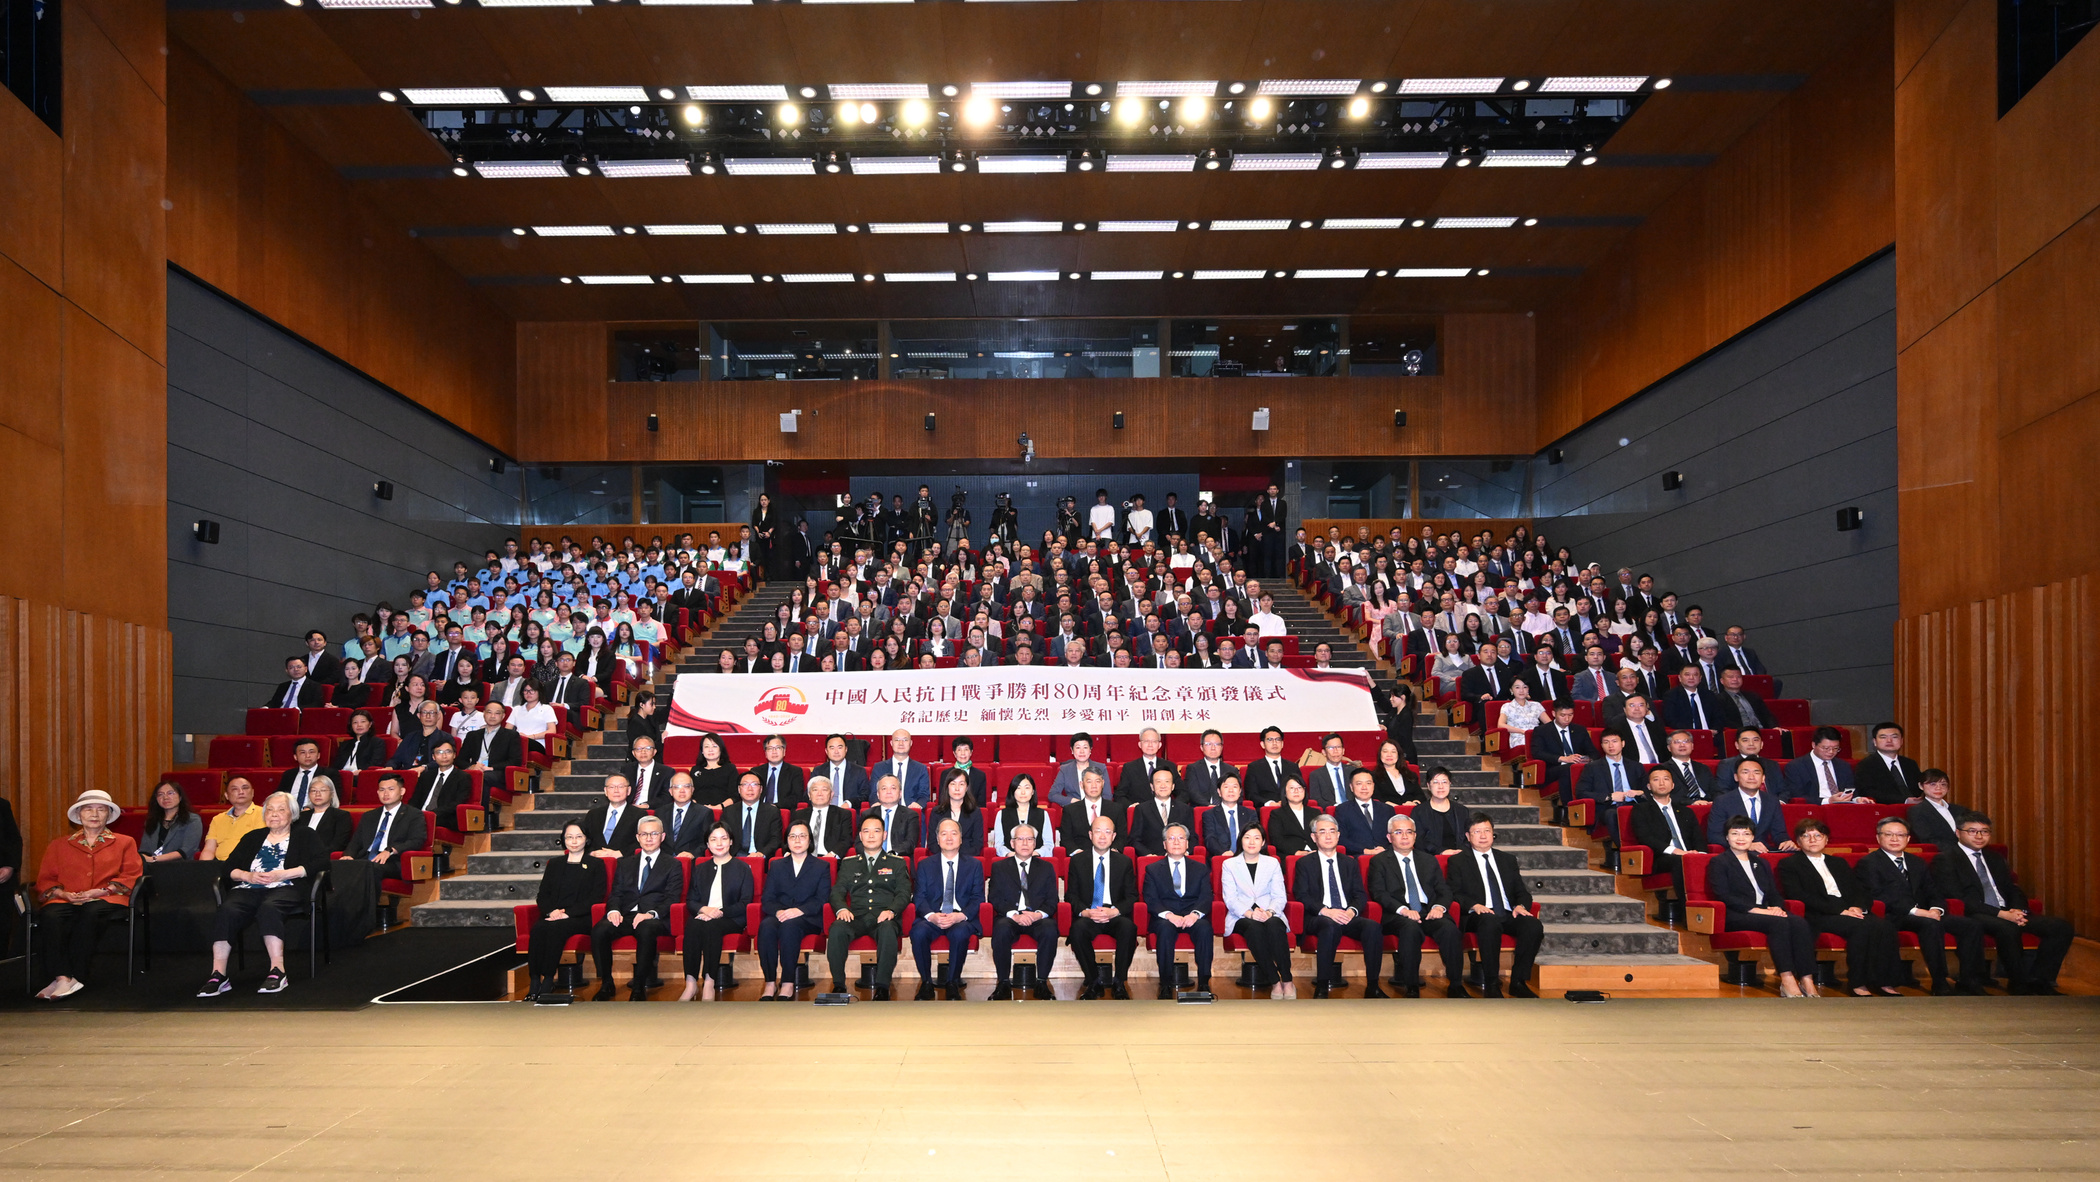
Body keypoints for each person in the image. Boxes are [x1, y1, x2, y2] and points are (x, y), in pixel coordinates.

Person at [195, 792, 329, 998]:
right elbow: (228, 868)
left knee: (269, 907)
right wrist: (247, 876)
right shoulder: (253, 837)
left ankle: (278, 971)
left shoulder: (305, 835)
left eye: (281, 809)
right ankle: (218, 975)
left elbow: (321, 863)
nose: (274, 814)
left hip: (287, 886)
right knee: (227, 910)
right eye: (270, 810)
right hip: (249, 887)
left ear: (292, 814)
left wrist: (284, 873)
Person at [1931, 814, 2074, 994]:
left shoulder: (1994, 858)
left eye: (1985, 831)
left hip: (2008, 911)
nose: (1979, 836)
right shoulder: (1946, 859)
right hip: (1975, 913)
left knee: (2060, 927)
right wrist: (2003, 915)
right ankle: (2018, 983)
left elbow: (2012, 888)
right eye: (1972, 831)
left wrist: (2018, 910)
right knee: (2007, 927)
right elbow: (1958, 898)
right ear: (1958, 833)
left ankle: (2040, 980)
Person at [31, 790, 144, 1000]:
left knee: (91, 911)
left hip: (107, 897)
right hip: (67, 897)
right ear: (79, 815)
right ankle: (61, 977)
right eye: (88, 809)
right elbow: (46, 879)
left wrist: (103, 890)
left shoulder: (125, 842)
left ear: (108, 815)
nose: (94, 814)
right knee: (50, 915)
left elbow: (131, 874)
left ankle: (75, 975)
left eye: (101, 810)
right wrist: (63, 894)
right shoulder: (58, 844)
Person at [1777, 818, 1904, 996]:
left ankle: (1885, 982)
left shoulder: (1838, 863)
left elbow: (1859, 890)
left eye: (1817, 835)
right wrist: (1839, 910)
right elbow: (1798, 895)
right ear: (1798, 841)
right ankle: (1858, 983)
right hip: (1820, 914)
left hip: (1849, 911)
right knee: (1861, 927)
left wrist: (1858, 907)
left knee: (1885, 926)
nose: (1812, 840)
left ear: (1826, 839)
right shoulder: (1790, 864)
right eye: (1806, 836)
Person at [1855, 816, 1971, 996]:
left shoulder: (1917, 862)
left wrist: (1936, 909)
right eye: (1889, 834)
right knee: (1930, 925)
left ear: (1908, 838)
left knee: (1969, 926)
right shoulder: (1869, 863)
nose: (1895, 839)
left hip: (1925, 913)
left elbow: (1933, 891)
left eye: (1900, 835)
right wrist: (1918, 912)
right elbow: (1878, 896)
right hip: (1893, 915)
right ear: (1878, 838)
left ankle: (1970, 980)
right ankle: (1939, 981)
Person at [1705, 816, 1818, 997]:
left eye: (1746, 834)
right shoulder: (1719, 862)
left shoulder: (1761, 861)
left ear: (1753, 837)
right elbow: (1723, 895)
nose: (1740, 838)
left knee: (1799, 923)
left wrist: (1777, 907)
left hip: (1764, 911)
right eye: (1735, 833)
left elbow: (1773, 892)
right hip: (1737, 913)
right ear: (1727, 837)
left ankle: (1807, 979)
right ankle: (1787, 979)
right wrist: (1756, 910)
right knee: (1779, 923)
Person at [1366, 814, 1466, 998]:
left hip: (1428, 911)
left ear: (1415, 835)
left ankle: (1456, 985)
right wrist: (1403, 910)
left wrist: (1439, 907)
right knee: (1410, 928)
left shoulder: (1428, 860)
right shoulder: (1379, 861)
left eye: (1409, 832)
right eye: (1398, 832)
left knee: (1449, 929)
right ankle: (1411, 986)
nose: (1404, 836)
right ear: (1389, 837)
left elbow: (1444, 890)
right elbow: (1379, 893)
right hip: (1397, 914)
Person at [1444, 816, 1544, 997]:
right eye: (1477, 831)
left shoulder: (1507, 860)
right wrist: (1474, 905)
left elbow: (1522, 891)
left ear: (1493, 833)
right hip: (1477, 915)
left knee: (1533, 925)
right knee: (1490, 922)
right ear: (1468, 836)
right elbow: (1454, 892)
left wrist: (1520, 906)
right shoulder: (1458, 861)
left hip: (1507, 913)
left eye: (1487, 831)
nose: (1483, 836)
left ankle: (1518, 982)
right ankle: (1491, 983)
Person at [1292, 814, 1386, 997]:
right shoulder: (1304, 863)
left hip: (1346, 915)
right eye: (1322, 832)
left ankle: (1373, 986)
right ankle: (1322, 987)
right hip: (1319, 917)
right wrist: (1327, 911)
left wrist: (1351, 911)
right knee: (1330, 926)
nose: (1328, 836)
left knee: (1373, 927)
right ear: (1314, 837)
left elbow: (1360, 894)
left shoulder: (1349, 862)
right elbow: (1302, 895)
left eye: (1332, 831)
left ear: (1338, 835)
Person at [590, 815, 678, 1002]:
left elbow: (672, 898)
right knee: (600, 930)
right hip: (627, 915)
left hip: (654, 917)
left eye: (654, 834)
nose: (649, 838)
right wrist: (614, 910)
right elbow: (616, 893)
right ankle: (606, 984)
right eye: (644, 834)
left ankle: (639, 986)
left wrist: (650, 914)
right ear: (637, 837)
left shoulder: (672, 864)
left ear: (662, 837)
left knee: (646, 930)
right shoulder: (625, 863)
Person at [826, 814, 913, 1000]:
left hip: (884, 917)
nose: (871, 835)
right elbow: (837, 892)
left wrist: (891, 910)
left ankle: (882, 987)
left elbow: (904, 893)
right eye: (866, 831)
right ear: (860, 835)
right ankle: (838, 985)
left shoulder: (897, 863)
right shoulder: (849, 864)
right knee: (837, 928)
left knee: (888, 929)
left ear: (884, 835)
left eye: (876, 831)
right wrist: (842, 909)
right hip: (856, 917)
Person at [521, 821, 603, 1001]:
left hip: (581, 916)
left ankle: (548, 980)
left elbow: (596, 898)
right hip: (554, 915)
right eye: (569, 837)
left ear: (586, 839)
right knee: (538, 928)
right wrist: (551, 912)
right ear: (563, 840)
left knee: (556, 928)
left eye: (578, 837)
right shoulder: (555, 864)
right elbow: (543, 895)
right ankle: (534, 980)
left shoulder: (596, 864)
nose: (574, 841)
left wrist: (567, 913)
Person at [908, 818, 984, 1000]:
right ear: (937, 839)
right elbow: (919, 897)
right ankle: (926, 983)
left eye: (954, 833)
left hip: (960, 918)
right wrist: (931, 916)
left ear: (961, 838)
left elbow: (978, 898)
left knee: (960, 933)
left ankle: (952, 983)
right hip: (933, 916)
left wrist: (960, 916)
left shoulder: (974, 865)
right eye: (944, 833)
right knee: (918, 932)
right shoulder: (925, 864)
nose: (949, 838)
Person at [678, 825, 755, 1002]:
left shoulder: (743, 868)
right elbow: (691, 900)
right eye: (713, 839)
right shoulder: (700, 868)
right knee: (692, 924)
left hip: (731, 918)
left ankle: (709, 982)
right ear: (707, 844)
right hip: (703, 915)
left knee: (712, 926)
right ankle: (690, 983)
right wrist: (704, 909)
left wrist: (718, 912)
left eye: (724, 838)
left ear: (731, 841)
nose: (719, 843)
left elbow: (745, 903)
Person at [1220, 823, 1295, 999]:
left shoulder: (1272, 863)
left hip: (1270, 911)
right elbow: (1230, 898)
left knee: (1275, 925)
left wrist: (1269, 912)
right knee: (1254, 928)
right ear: (1241, 841)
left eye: (1256, 838)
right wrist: (1250, 913)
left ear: (1263, 842)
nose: (1251, 842)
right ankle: (1274, 981)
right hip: (1241, 915)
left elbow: (1279, 895)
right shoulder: (1229, 864)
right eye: (1247, 837)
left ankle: (1287, 980)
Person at [986, 825, 1060, 1001]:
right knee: (1001, 929)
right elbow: (994, 897)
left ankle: (1042, 982)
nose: (1025, 843)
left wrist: (1037, 914)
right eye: (1020, 839)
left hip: (1037, 917)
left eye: (1029, 839)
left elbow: (1052, 900)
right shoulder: (999, 867)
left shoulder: (1046, 868)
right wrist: (1015, 915)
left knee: (1050, 929)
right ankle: (1003, 983)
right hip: (1011, 917)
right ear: (1012, 843)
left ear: (1035, 843)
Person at [756, 823, 829, 1000]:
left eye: (802, 836)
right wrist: (779, 911)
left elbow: (822, 899)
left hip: (808, 917)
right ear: (786, 841)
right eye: (792, 836)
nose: (797, 840)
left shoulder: (821, 866)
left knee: (790, 926)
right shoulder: (777, 865)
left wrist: (799, 910)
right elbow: (767, 899)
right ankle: (770, 982)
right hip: (781, 914)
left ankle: (788, 982)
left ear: (810, 840)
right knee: (766, 926)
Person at [1067, 816, 1137, 999]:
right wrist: (1086, 912)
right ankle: (1093, 982)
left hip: (1114, 914)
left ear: (1114, 836)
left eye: (1108, 832)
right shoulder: (1077, 861)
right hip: (1090, 913)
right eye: (1098, 831)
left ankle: (1119, 982)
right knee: (1077, 929)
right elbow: (1071, 895)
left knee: (1128, 927)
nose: (1103, 836)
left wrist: (1114, 911)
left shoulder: (1124, 862)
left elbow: (1131, 896)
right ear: (1090, 835)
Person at [1141, 824, 1212, 999]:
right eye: (1171, 838)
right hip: (1166, 917)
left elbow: (1206, 897)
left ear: (1187, 843)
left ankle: (1204, 982)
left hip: (1192, 915)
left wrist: (1194, 914)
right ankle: (1165, 983)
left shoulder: (1200, 868)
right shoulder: (1153, 869)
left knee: (1205, 929)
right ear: (1164, 844)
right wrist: (1169, 915)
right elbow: (1151, 899)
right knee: (1165, 930)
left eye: (1181, 838)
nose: (1176, 842)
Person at [347, 774, 428, 921]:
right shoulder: (369, 816)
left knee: (371, 868)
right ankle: (342, 914)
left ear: (402, 791)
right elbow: (356, 841)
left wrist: (390, 850)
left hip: (393, 861)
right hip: (366, 859)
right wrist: (348, 855)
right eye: (382, 790)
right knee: (341, 866)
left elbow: (416, 841)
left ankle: (365, 918)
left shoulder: (413, 815)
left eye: (391, 789)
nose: (385, 793)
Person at [1628, 767, 1701, 917]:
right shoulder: (1641, 810)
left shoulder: (1686, 811)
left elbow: (1698, 838)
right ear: (1649, 787)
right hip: (1661, 858)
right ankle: (1688, 914)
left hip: (1689, 855)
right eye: (1656, 779)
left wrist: (1700, 854)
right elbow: (1645, 838)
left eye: (1666, 779)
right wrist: (1677, 852)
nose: (1661, 783)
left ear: (1673, 785)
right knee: (1679, 861)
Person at [1706, 760, 1792, 852]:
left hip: (1764, 851)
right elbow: (1715, 835)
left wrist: (1785, 841)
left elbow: (1779, 832)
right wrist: (1745, 845)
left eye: (1756, 773)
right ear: (1736, 777)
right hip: (1736, 852)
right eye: (1745, 772)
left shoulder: (1772, 801)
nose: (1751, 777)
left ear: (1763, 778)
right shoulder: (1722, 801)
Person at [1126, 766, 1196, 856]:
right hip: (1153, 858)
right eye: (1158, 782)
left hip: (1178, 856)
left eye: (1167, 781)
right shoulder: (1142, 809)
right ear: (1152, 786)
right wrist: (1148, 854)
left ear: (1173, 786)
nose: (1163, 786)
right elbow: (1134, 839)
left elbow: (1192, 837)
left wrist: (1186, 852)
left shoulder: (1185, 809)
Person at [1853, 721, 1923, 805]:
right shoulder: (1866, 765)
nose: (1889, 740)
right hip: (1887, 808)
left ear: (1901, 741)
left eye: (1894, 737)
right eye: (1883, 737)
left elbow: (1920, 788)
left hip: (1917, 807)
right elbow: (1868, 792)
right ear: (1875, 742)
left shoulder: (1910, 764)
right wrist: (1905, 800)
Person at [1780, 728, 1857, 803]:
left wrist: (1856, 799)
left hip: (1842, 806)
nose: (1831, 752)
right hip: (1815, 808)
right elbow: (1796, 795)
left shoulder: (1843, 766)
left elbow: (1851, 790)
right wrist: (1828, 801)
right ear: (1813, 745)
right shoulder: (1796, 766)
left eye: (1836, 748)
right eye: (1826, 748)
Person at [199, 775, 266, 861]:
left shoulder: (264, 814)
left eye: (245, 788)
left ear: (252, 792)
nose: (241, 792)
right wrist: (204, 867)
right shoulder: (218, 819)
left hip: (248, 863)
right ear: (226, 795)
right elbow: (209, 850)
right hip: (220, 864)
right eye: (235, 789)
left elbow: (259, 847)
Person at [1333, 769, 1397, 856]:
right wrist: (1366, 851)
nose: (1364, 787)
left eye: (1368, 783)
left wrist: (1386, 850)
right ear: (1351, 787)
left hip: (1386, 856)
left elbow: (1396, 834)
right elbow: (1341, 838)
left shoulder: (1387, 809)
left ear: (1373, 786)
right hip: (1358, 856)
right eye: (1359, 783)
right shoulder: (1343, 810)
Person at [1904, 769, 1972, 849]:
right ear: (1921, 786)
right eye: (1933, 784)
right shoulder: (1916, 811)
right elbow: (1928, 840)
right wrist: (1959, 850)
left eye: (1943, 784)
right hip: (1942, 853)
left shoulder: (1961, 810)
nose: (1938, 788)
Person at [990, 773, 1054, 857]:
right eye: (1018, 788)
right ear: (1013, 791)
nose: (1023, 792)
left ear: (1032, 791)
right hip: (1010, 860)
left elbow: (1049, 845)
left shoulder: (1043, 814)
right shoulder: (1002, 814)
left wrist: (1036, 853)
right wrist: (1009, 854)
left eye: (1027, 788)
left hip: (1036, 859)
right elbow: (999, 845)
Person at [1410, 769, 1472, 856]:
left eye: (1444, 782)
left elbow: (1469, 837)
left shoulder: (1462, 810)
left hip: (1460, 857)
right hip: (1430, 858)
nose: (1441, 786)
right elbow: (1418, 841)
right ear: (1428, 786)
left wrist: (1459, 852)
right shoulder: (1419, 811)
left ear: (1450, 784)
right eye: (1436, 782)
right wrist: (1441, 851)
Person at [923, 769, 986, 853]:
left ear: (967, 788)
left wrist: (956, 856)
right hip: (942, 858)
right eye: (953, 784)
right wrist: (948, 856)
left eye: (961, 784)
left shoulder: (975, 813)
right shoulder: (936, 812)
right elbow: (932, 843)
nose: (957, 788)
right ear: (947, 787)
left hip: (967, 858)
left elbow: (977, 845)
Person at [140, 779, 203, 862]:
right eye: (160, 794)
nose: (165, 797)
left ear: (180, 797)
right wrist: (145, 859)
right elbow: (144, 850)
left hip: (180, 865)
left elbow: (187, 850)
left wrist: (154, 859)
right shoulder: (152, 820)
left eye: (170, 793)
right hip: (152, 865)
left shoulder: (192, 820)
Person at [791, 776, 856, 857]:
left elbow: (846, 840)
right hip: (802, 857)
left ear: (831, 795)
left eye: (824, 790)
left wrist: (832, 855)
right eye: (815, 790)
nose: (819, 794)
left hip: (829, 857)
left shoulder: (842, 814)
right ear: (809, 795)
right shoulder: (799, 814)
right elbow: (789, 837)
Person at [725, 772, 786, 859]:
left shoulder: (772, 812)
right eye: (745, 784)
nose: (750, 789)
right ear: (739, 789)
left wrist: (761, 853)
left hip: (761, 857)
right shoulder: (729, 811)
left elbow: (776, 839)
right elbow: (724, 837)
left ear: (761, 789)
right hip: (734, 858)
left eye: (754, 784)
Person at [581, 774, 643, 858]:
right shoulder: (593, 814)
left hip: (625, 861)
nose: (616, 791)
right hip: (595, 861)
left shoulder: (639, 814)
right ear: (605, 791)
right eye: (611, 787)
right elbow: (585, 839)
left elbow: (643, 841)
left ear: (628, 790)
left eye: (621, 787)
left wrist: (621, 853)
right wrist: (592, 853)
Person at [858, 775, 919, 853]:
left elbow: (910, 843)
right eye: (884, 788)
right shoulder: (867, 814)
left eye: (893, 788)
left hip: (898, 857)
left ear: (900, 793)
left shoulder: (910, 815)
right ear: (878, 794)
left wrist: (891, 855)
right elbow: (859, 843)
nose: (888, 792)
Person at [297, 777, 356, 855]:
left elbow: (338, 844)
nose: (317, 794)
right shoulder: (301, 816)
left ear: (332, 794)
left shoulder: (341, 816)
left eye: (323, 790)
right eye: (313, 791)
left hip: (323, 857)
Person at [1180, 729, 1239, 806]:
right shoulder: (1193, 769)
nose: (1213, 748)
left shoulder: (1231, 770)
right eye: (1208, 744)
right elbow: (1193, 793)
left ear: (1221, 747)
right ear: (1201, 747)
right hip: (1202, 808)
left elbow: (1238, 793)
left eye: (1217, 744)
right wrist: (1209, 806)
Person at [1048, 732, 1108, 807]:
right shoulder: (1065, 770)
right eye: (1078, 747)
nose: (1082, 751)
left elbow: (1107, 795)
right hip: (1075, 808)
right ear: (1072, 750)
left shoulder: (1101, 768)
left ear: (1090, 750)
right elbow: (1052, 794)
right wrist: (1072, 801)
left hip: (1096, 808)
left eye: (1085, 747)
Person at [1267, 777, 1321, 857]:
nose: (1296, 791)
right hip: (1291, 855)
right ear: (1285, 792)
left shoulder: (1315, 813)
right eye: (1292, 788)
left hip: (1316, 853)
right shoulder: (1277, 814)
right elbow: (1277, 839)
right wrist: (1296, 852)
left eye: (1299, 787)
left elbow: (1321, 834)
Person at [754, 735, 810, 809]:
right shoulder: (756, 772)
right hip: (759, 810)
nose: (774, 752)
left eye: (778, 748)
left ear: (784, 751)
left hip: (782, 809)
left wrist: (775, 806)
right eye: (770, 748)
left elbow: (797, 797)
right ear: (765, 753)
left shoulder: (795, 772)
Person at [1366, 740, 1420, 808]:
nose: (1389, 755)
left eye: (1393, 752)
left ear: (1398, 754)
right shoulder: (1373, 776)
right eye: (1385, 751)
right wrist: (1391, 805)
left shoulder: (1410, 775)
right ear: (1380, 755)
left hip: (1410, 811)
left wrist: (1414, 803)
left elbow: (1420, 795)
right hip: (1386, 811)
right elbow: (1375, 797)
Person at [690, 733, 739, 806]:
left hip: (724, 809)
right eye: (706, 746)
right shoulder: (695, 770)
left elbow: (735, 796)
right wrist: (698, 808)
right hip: (699, 810)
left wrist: (720, 807)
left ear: (721, 749)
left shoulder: (730, 768)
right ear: (702, 751)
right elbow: (690, 794)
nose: (710, 750)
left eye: (714, 746)